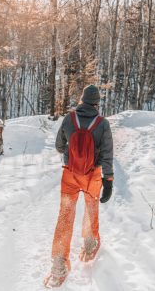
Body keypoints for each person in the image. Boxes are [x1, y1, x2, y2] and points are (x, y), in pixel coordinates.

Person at [44, 85, 114, 288]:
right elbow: (107, 154)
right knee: (91, 208)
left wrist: (70, 152)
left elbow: (59, 145)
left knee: (65, 216)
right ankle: (90, 245)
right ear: (96, 103)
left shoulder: (69, 119)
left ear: (82, 100)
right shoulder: (102, 124)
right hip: (92, 175)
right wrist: (108, 180)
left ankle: (59, 266)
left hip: (70, 174)